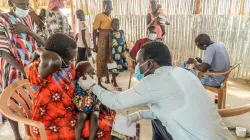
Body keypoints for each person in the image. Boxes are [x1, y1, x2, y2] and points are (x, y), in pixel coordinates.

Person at [78, 41, 234, 140]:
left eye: (139, 63)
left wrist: (93, 86)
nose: (136, 67)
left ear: (150, 64)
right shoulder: (183, 73)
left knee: (117, 135)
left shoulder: (156, 82)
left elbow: (116, 102)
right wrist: (139, 114)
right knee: (157, 121)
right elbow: (170, 107)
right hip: (220, 136)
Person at [0, 0, 45, 139]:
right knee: (12, 103)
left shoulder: (29, 19)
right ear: (10, 2)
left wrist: (28, 31)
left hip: (32, 68)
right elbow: (3, 52)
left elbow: (43, 43)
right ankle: (17, 136)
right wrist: (23, 70)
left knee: (30, 101)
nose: (26, 3)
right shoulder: (3, 19)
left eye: (27, 0)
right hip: (13, 69)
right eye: (21, 1)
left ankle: (29, 133)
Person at [74, 61, 102, 140]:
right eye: (87, 73)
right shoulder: (75, 84)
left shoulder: (93, 83)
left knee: (95, 116)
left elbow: (100, 96)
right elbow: (73, 98)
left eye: (92, 73)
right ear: (79, 74)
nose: (91, 76)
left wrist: (98, 105)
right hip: (81, 109)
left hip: (93, 107)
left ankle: (91, 138)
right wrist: (77, 107)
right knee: (80, 117)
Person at [92, 0, 113, 89]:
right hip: (102, 41)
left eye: (110, 6)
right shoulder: (99, 16)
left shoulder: (110, 17)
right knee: (100, 59)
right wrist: (94, 45)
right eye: (107, 6)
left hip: (110, 41)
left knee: (109, 58)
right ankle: (99, 82)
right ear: (103, 6)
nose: (108, 7)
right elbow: (94, 31)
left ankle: (108, 78)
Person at [108, 18, 128, 91]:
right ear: (112, 25)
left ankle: (113, 79)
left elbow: (124, 40)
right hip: (114, 53)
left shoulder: (121, 31)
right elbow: (110, 45)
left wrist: (126, 48)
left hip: (121, 52)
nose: (116, 26)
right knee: (113, 69)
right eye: (115, 24)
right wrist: (109, 56)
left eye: (118, 24)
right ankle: (115, 83)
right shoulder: (110, 33)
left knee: (120, 68)